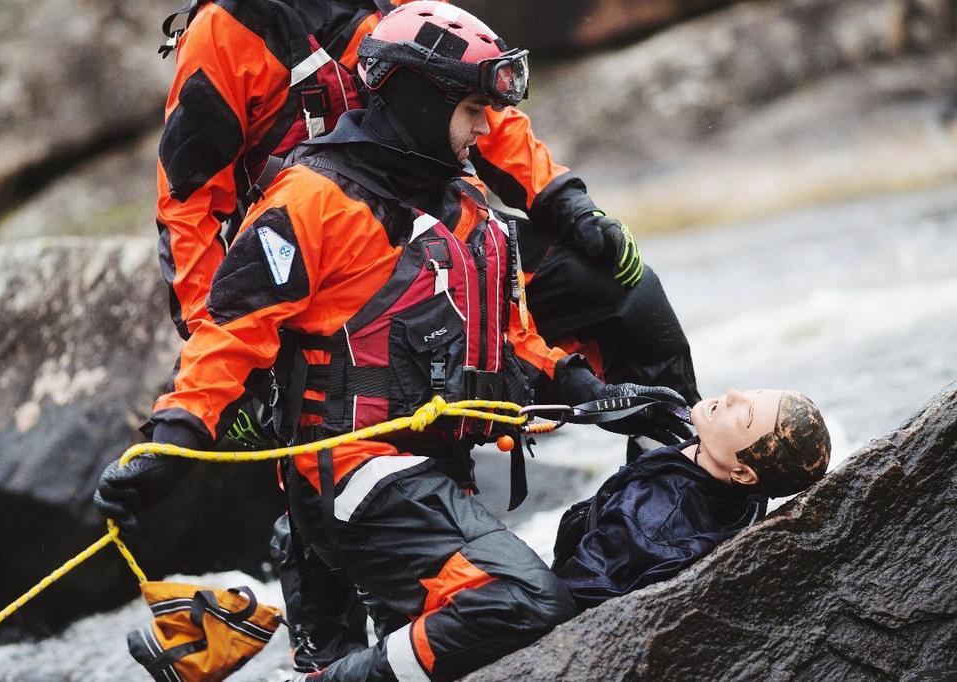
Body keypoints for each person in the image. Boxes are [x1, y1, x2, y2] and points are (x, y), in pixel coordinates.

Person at [96, 4, 693, 680]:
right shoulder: (232, 37)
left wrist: (562, 205)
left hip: (412, 269)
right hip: (309, 294)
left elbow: (471, 103)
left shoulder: (465, 191)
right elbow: (190, 203)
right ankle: (323, 641)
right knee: (459, 591)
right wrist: (196, 414)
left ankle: (669, 523)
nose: (481, 125)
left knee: (621, 303)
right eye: (470, 112)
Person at [552, 389, 832, 609]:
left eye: (744, 416)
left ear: (743, 473)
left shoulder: (651, 523)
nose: (733, 394)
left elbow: (573, 592)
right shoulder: (747, 489)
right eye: (753, 392)